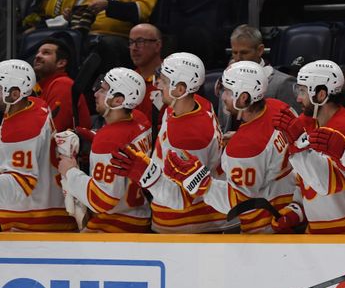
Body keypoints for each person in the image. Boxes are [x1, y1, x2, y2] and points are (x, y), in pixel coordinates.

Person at [161, 61, 295, 234]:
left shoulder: (245, 147)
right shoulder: (279, 107)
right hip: (290, 209)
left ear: (244, 97)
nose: (222, 96)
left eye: (227, 91)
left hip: (264, 231)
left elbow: (237, 203)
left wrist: (200, 181)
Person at [109, 52, 230, 233]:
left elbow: (181, 199)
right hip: (192, 224)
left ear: (180, 89)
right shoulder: (197, 104)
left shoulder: (189, 135)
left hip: (191, 228)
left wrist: (146, 174)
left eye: (164, 81)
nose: (157, 84)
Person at [272, 60, 345, 234]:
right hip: (316, 232)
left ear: (321, 94)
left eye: (302, 91)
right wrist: (297, 208)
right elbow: (306, 178)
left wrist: (298, 147)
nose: (298, 98)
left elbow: (326, 184)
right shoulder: (306, 123)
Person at [57, 67, 151, 233]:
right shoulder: (140, 120)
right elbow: (121, 143)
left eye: (103, 89)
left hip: (114, 226)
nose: (95, 93)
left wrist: (70, 172)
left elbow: (103, 200)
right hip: (140, 216)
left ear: (118, 101)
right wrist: (85, 134)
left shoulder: (108, 140)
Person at [0, 59, 75, 232]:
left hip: (33, 221)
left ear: (15, 94)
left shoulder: (22, 128)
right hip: (46, 207)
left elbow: (20, 184)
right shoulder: (34, 104)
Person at [217, 25, 298, 132]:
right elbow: (223, 125)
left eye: (244, 52)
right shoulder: (226, 80)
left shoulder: (282, 84)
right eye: (234, 52)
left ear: (260, 50)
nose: (238, 58)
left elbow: (294, 129)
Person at [31, 38, 91, 132]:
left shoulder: (62, 84)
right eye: (38, 52)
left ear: (61, 63)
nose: (37, 56)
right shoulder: (40, 87)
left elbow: (53, 132)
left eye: (46, 53)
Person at [128, 23, 163, 131]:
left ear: (157, 45)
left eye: (140, 42)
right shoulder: (126, 80)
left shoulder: (172, 80)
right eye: (131, 42)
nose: (134, 48)